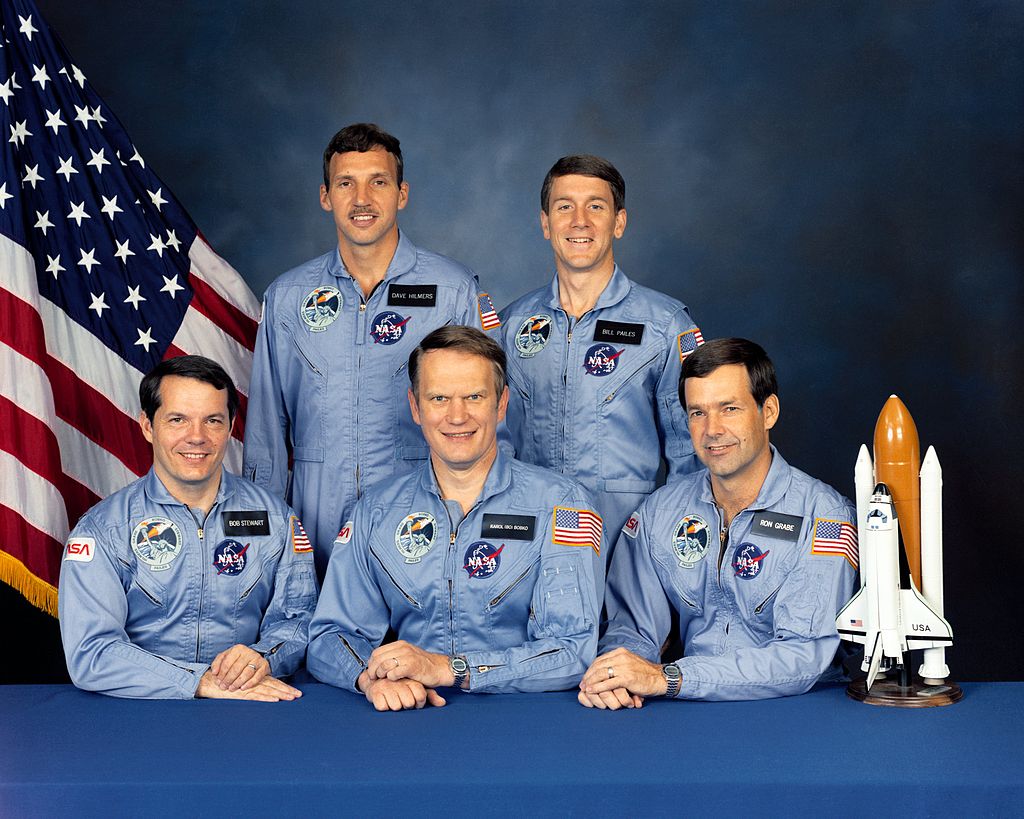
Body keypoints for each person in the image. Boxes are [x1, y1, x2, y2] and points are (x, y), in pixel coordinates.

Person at [244, 123, 499, 579]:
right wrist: (263, 534)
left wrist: (480, 524)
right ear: (326, 196)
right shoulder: (286, 296)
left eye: (378, 182)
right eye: (346, 183)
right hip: (315, 520)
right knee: (321, 644)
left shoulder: (451, 290)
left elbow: (493, 417)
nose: (362, 199)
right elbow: (265, 430)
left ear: (402, 194)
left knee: (414, 649)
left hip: (424, 519)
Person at [307, 327, 602, 710]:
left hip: (527, 721)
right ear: (416, 407)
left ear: (501, 404)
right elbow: (331, 633)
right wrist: (371, 677)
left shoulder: (564, 505)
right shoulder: (376, 510)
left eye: (474, 396)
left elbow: (572, 650)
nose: (457, 416)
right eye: (439, 398)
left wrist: (450, 669)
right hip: (413, 715)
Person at [579, 338, 857, 708]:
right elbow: (632, 627)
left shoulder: (823, 517)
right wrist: (617, 675)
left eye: (729, 409)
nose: (711, 430)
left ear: (768, 411)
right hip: (690, 712)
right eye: (698, 413)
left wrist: (668, 678)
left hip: (794, 712)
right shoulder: (659, 513)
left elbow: (801, 658)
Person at [59, 356, 317, 700]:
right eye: (178, 420)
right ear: (148, 426)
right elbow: (92, 652)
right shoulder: (103, 530)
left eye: (212, 420)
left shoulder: (275, 518)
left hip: (250, 705)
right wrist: (196, 681)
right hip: (141, 712)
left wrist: (263, 656)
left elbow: (300, 619)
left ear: (230, 426)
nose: (197, 437)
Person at [497, 154, 704, 551]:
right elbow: (491, 442)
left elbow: (691, 454)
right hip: (529, 544)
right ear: (545, 224)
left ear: (619, 222)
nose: (580, 221)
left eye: (595, 206)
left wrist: (664, 550)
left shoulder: (665, 327)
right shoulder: (508, 328)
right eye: (564, 207)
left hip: (625, 546)